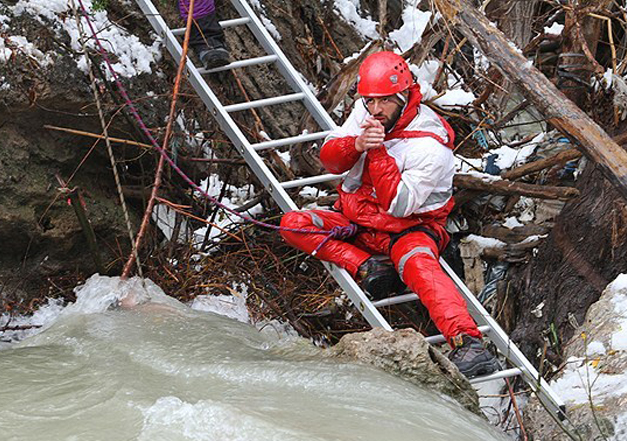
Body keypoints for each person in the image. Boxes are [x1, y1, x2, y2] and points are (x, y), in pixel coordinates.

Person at [280, 51, 498, 378]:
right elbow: (330, 160)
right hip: (358, 222)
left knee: (421, 269)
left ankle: (469, 341)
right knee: (293, 225)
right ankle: (367, 266)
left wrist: (376, 149)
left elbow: (399, 204)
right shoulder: (366, 112)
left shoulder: (430, 146)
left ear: (402, 97)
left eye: (383, 102)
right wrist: (356, 144)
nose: (375, 110)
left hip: (408, 230)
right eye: (370, 101)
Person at [178, 0, 231, 68]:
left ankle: (216, 47)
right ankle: (206, 51)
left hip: (206, 11)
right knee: (199, 35)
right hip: (195, 15)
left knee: (211, 30)